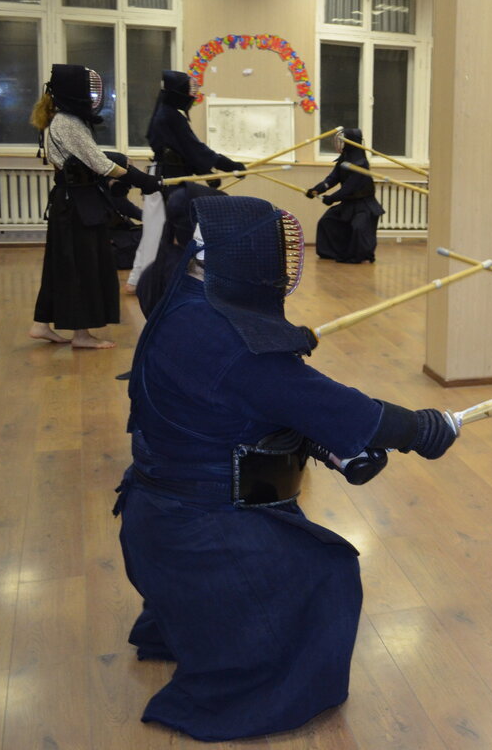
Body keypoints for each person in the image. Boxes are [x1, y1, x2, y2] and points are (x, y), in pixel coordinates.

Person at [113, 196, 458, 741]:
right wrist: (421, 429)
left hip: (158, 520)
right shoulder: (231, 345)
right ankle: (254, 681)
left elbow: (246, 400)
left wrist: (316, 429)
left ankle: (198, 621)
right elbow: (344, 410)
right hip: (195, 530)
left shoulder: (183, 302)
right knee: (326, 570)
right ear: (248, 259)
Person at [28, 64, 161, 349]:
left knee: (61, 265)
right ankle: (81, 335)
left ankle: (41, 324)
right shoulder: (67, 122)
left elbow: (86, 156)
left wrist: (121, 162)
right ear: (73, 91)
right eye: (87, 90)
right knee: (82, 266)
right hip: (76, 205)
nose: (92, 96)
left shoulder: (67, 120)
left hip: (72, 201)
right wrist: (143, 181)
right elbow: (100, 164)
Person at [130, 70, 245, 312]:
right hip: (165, 178)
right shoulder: (170, 115)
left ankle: (138, 279)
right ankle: (148, 282)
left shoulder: (169, 113)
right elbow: (193, 148)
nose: (192, 96)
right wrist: (227, 165)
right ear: (177, 93)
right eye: (188, 90)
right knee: (156, 230)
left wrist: (209, 172)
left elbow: (184, 151)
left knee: (155, 228)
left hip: (168, 174)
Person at [304, 128, 384, 263]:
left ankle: (359, 255)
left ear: (351, 142)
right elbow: (332, 179)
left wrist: (331, 198)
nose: (340, 144)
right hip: (348, 204)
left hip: (363, 205)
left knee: (358, 228)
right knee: (327, 221)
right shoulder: (344, 159)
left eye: (343, 141)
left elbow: (348, 188)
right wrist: (316, 190)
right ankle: (332, 252)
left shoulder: (361, 163)